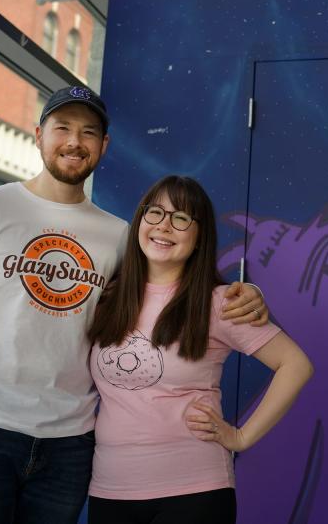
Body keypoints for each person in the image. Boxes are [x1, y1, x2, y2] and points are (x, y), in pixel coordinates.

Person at [0, 86, 269, 524]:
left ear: (103, 146)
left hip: (71, 444)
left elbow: (172, 287)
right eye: (62, 128)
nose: (75, 141)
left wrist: (244, 292)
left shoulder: (118, 236)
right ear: (39, 135)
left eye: (88, 132)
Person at [87, 175, 313, 524]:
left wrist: (240, 437)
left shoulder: (220, 303)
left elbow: (295, 365)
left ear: (198, 237)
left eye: (181, 218)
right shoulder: (107, 297)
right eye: (155, 213)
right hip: (110, 489)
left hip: (193, 492)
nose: (164, 226)